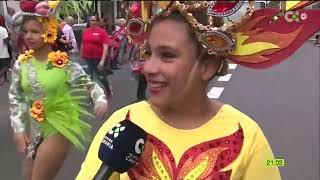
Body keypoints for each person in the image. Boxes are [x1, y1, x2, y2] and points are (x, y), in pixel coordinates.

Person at [77, 1, 320, 180]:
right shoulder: (123, 124)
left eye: (167, 55)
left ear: (207, 65)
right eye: (149, 54)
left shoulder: (248, 136)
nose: (148, 67)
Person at [8, 1, 108, 180]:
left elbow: (91, 85)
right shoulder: (20, 64)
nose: (28, 36)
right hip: (35, 127)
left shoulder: (64, 65)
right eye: (25, 31)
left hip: (60, 125)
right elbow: (16, 98)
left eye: (35, 31)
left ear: (49, 32)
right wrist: (18, 129)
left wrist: (100, 100)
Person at [81, 15, 113, 99]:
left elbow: (105, 46)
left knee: (101, 77)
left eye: (94, 20)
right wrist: (81, 53)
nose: (92, 22)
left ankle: (108, 89)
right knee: (88, 77)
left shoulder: (102, 32)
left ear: (98, 22)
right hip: (87, 58)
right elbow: (83, 43)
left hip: (97, 58)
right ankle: (91, 94)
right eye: (91, 20)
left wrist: (102, 60)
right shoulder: (85, 31)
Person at [0, 15, 11, 85]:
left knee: (2, 66)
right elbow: (6, 41)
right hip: (3, 52)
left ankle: (5, 79)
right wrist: (9, 35)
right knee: (6, 65)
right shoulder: (2, 30)